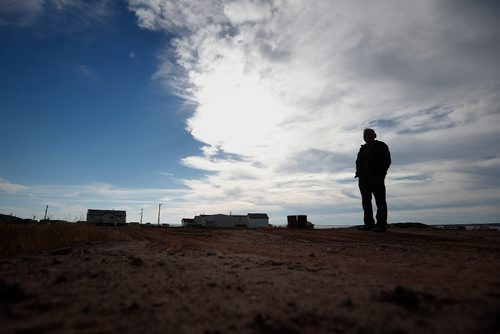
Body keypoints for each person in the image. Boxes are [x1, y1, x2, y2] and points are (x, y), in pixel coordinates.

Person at [355, 128, 391, 232]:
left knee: (380, 201)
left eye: (369, 134)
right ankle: (369, 224)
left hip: (376, 178)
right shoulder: (362, 148)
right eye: (365, 135)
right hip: (363, 179)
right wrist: (359, 174)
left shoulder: (381, 146)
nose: (366, 136)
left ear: (374, 135)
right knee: (366, 202)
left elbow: (387, 161)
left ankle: (381, 225)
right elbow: (358, 162)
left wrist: (381, 173)